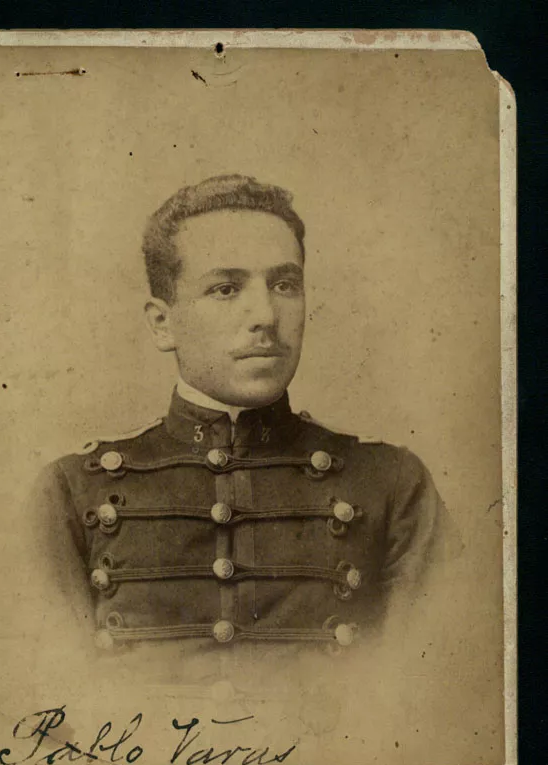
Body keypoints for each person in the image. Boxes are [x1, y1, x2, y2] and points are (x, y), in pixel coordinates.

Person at [33, 174, 458, 654]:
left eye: (284, 285)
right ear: (162, 323)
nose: (267, 317)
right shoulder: (71, 491)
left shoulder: (392, 484)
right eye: (226, 288)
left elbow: (423, 678)